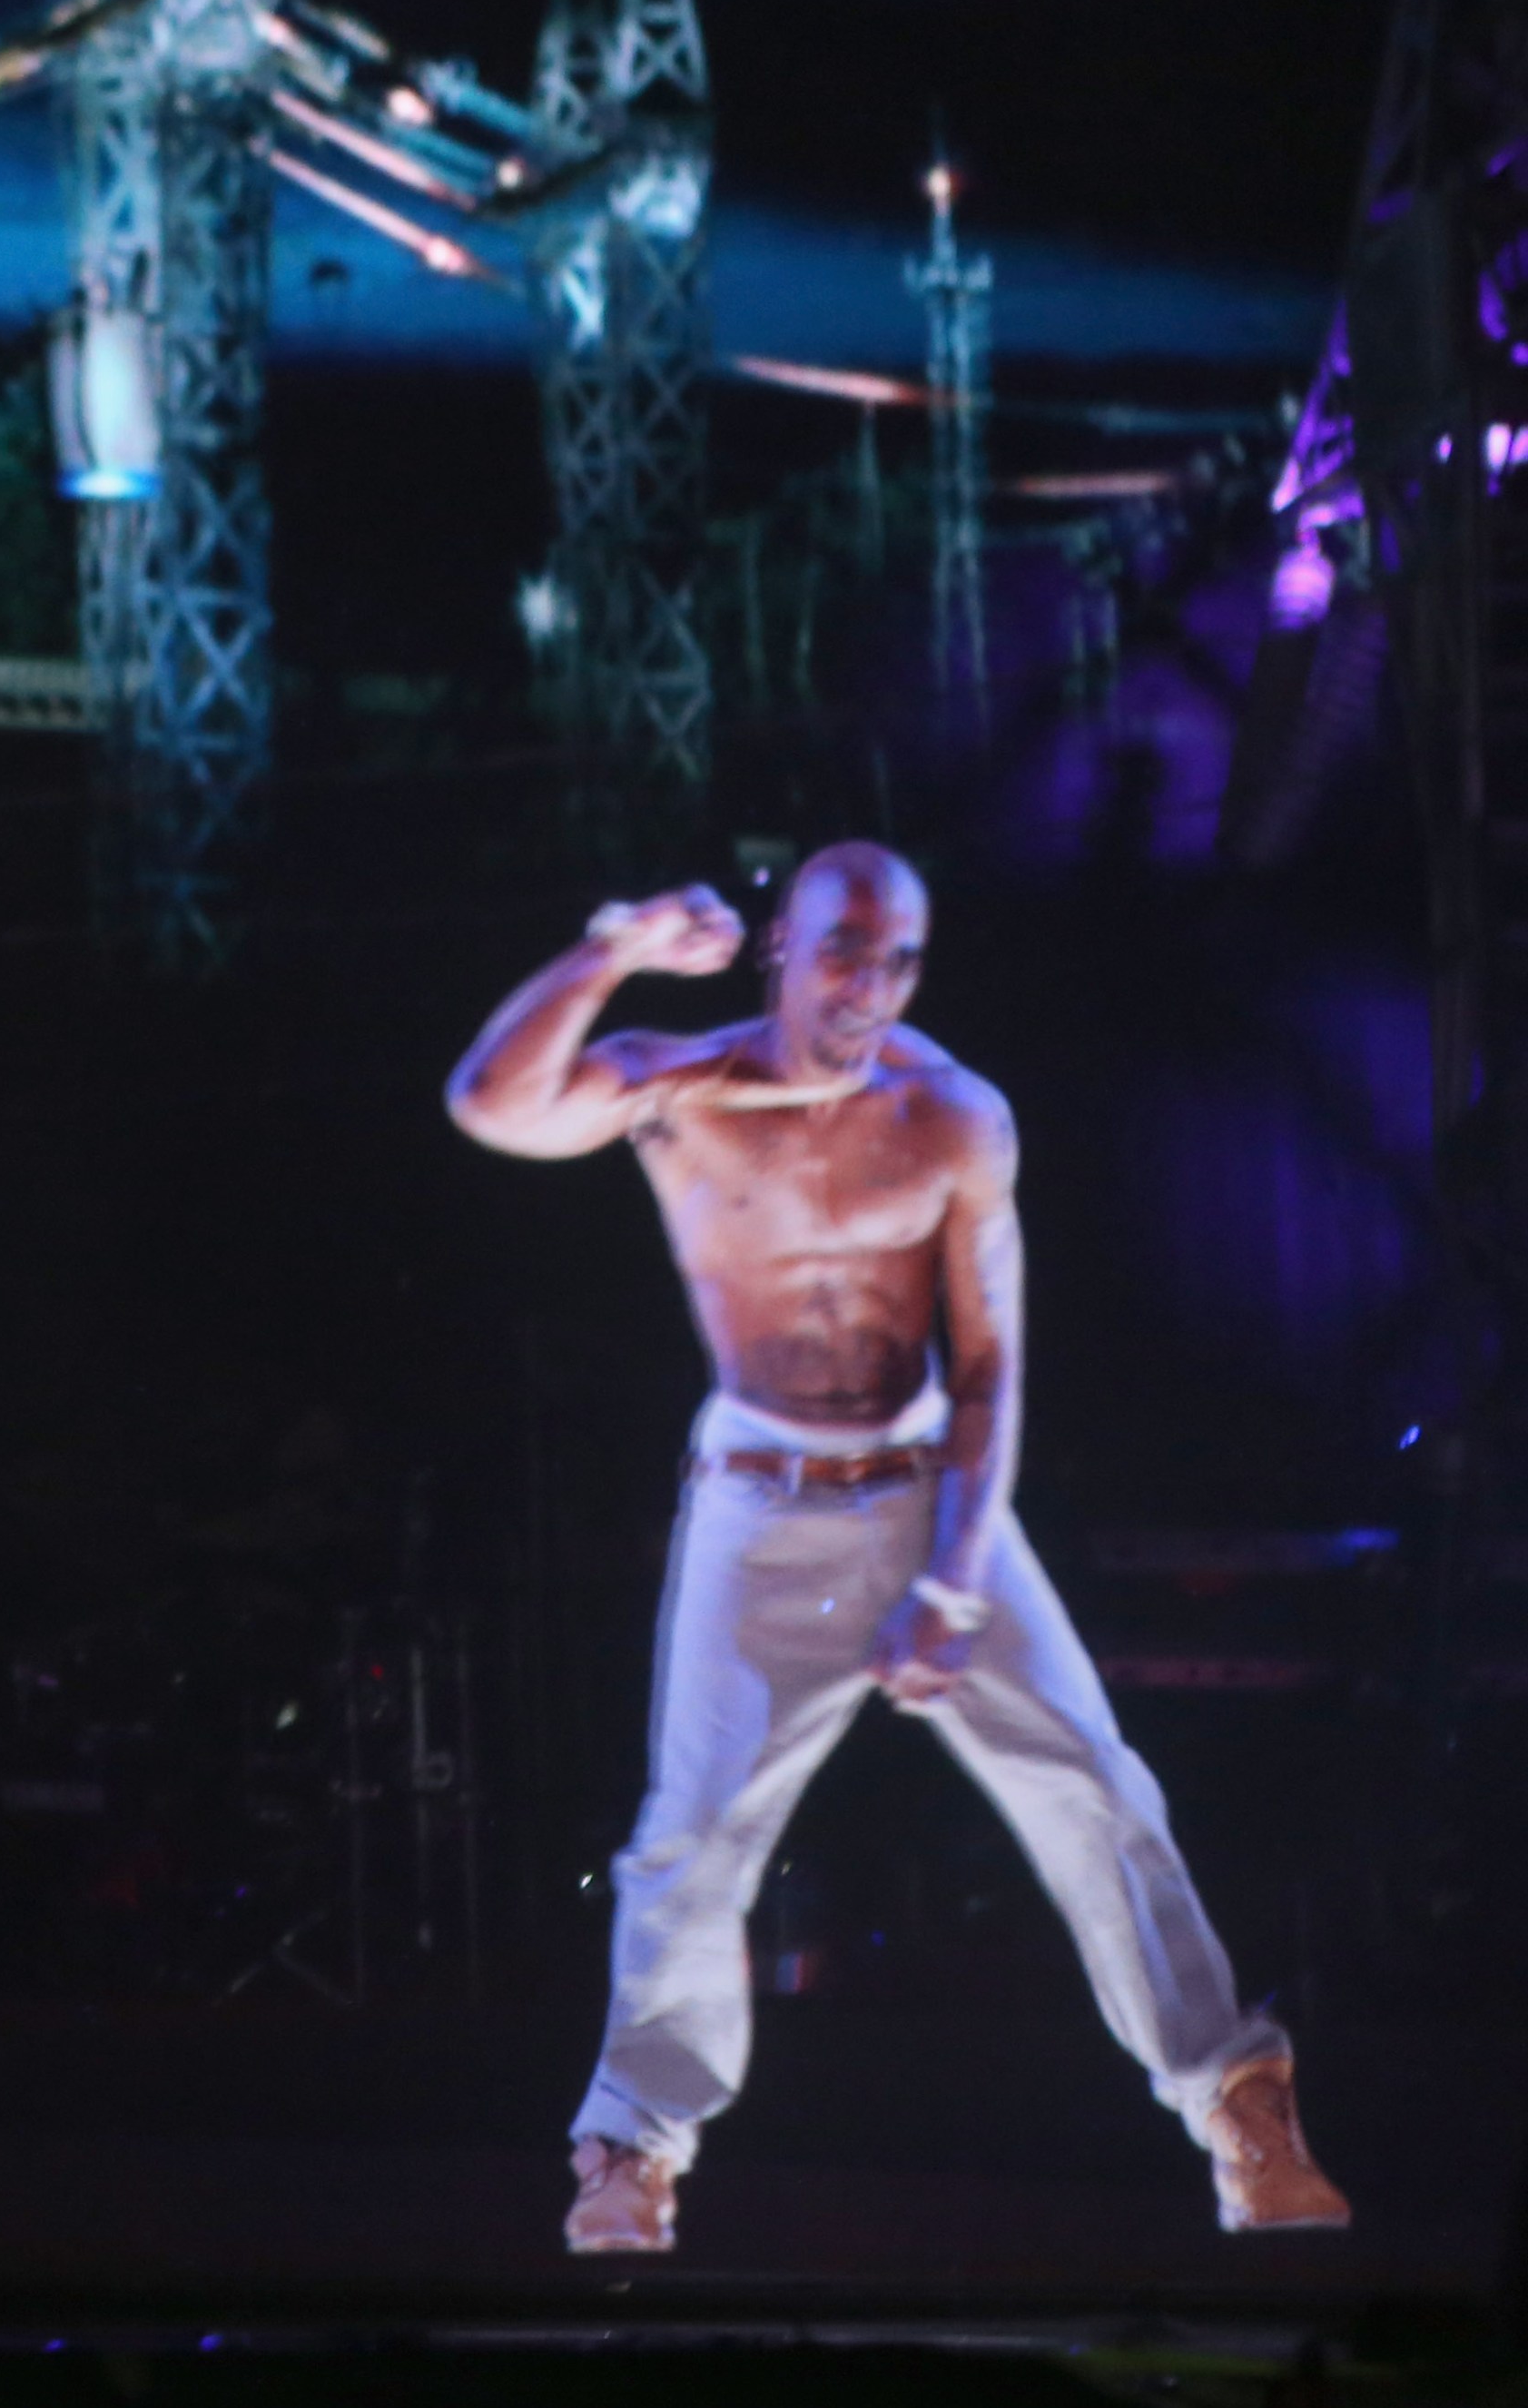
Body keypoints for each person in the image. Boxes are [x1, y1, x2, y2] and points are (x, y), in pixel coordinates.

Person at [444, 842, 1347, 2255]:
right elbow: (489, 1106)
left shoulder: (951, 1116)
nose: (870, 983)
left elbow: (987, 1368)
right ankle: (629, 2147)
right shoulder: (678, 1087)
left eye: (900, 956)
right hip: (754, 1506)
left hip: (929, 1492)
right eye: (845, 949)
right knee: (688, 1842)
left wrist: (947, 1577)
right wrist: (609, 946)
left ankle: (1234, 2096)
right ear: (780, 953)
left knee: (1095, 1793)